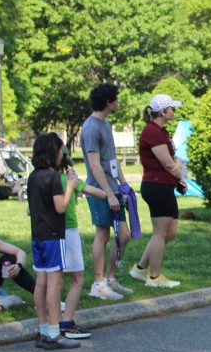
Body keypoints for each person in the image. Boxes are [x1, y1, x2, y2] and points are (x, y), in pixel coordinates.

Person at [27, 133, 80, 349]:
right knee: (54, 284)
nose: (62, 154)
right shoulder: (53, 177)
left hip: (38, 236)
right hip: (54, 237)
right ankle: (54, 332)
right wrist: (70, 186)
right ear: (53, 152)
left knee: (40, 283)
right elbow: (60, 207)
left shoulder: (33, 176)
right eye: (60, 150)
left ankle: (42, 330)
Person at [80, 83, 132, 300]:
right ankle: (98, 284)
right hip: (99, 191)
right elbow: (94, 165)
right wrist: (108, 194)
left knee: (124, 235)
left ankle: (110, 278)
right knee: (103, 234)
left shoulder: (106, 124)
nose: (118, 102)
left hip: (113, 189)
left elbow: (111, 159)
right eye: (116, 99)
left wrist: (123, 183)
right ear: (108, 102)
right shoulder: (91, 129)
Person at [130, 94, 187, 287]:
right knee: (160, 233)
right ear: (162, 111)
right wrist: (181, 177)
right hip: (157, 186)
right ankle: (154, 277)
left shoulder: (161, 131)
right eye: (172, 108)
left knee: (170, 231)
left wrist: (176, 169)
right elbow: (167, 163)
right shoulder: (152, 131)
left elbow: (170, 159)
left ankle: (140, 268)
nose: (174, 111)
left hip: (165, 185)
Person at [58, 146, 106, 339]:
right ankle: (66, 321)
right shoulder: (69, 180)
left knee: (54, 279)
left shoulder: (43, 179)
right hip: (68, 230)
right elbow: (99, 194)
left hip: (47, 233)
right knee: (77, 278)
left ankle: (51, 321)